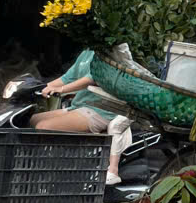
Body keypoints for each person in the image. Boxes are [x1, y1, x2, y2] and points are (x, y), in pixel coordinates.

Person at [37, 50, 131, 185]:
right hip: (80, 106)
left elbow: (92, 78)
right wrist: (43, 87)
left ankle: (47, 175)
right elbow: (68, 77)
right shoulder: (87, 52)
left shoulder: (110, 53)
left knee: (43, 127)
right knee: (32, 120)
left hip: (101, 110)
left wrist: (62, 90)